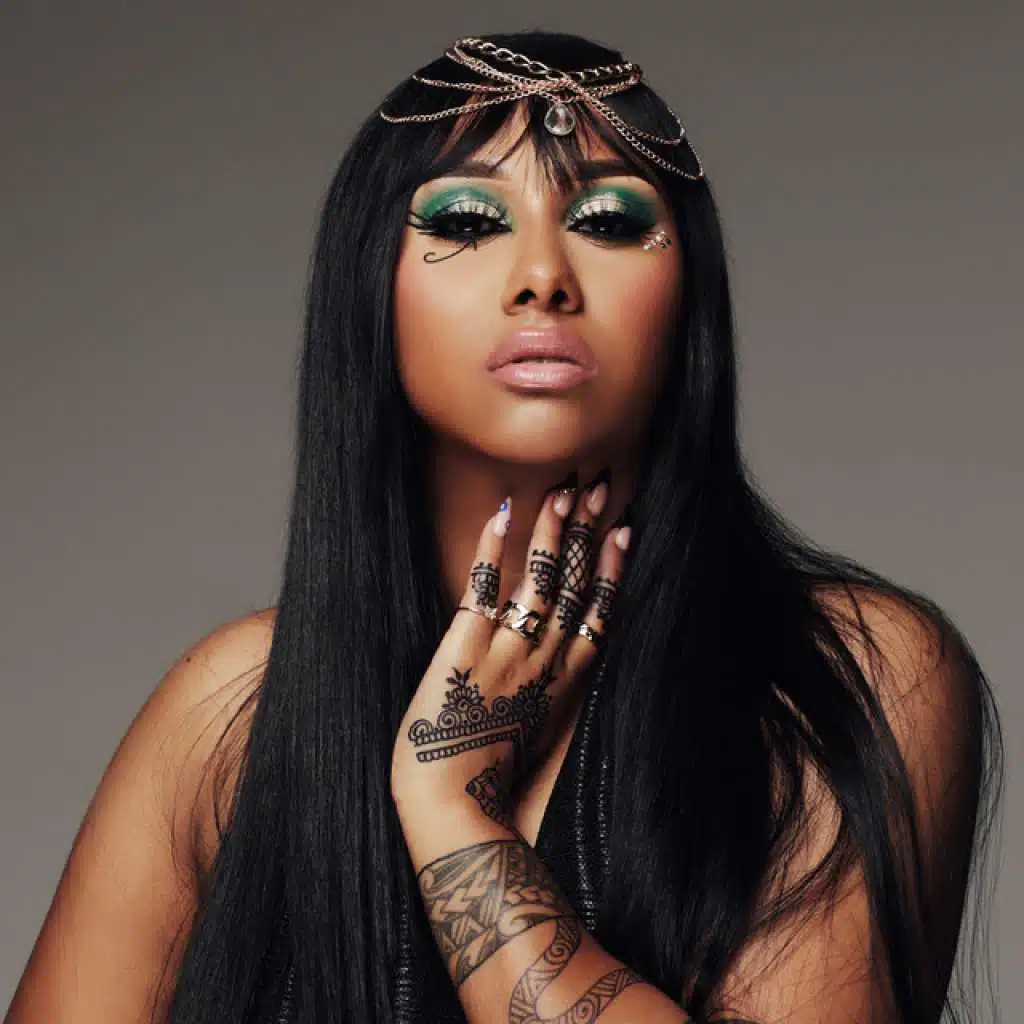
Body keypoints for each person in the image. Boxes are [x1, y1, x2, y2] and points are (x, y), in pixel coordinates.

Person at [4, 30, 1002, 1024]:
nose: (541, 277)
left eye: (607, 220)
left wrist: (454, 818)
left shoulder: (845, 679)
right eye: (469, 220)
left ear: (690, 292)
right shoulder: (229, 716)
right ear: (370, 284)